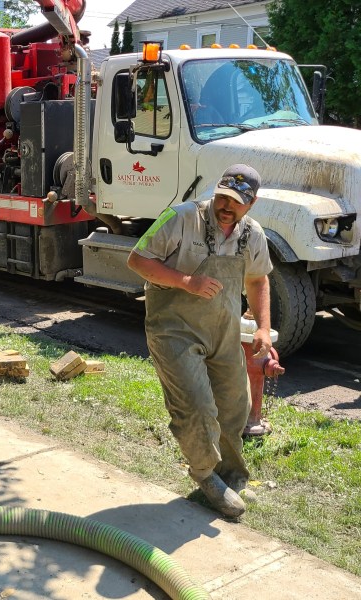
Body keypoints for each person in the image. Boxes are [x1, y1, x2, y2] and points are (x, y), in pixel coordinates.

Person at [127, 164, 272, 518]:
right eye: (223, 196)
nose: (227, 205)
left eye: (236, 201)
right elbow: (137, 260)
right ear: (216, 191)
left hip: (222, 330)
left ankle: (231, 476)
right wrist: (186, 281)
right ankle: (206, 475)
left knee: (234, 406)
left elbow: (257, 280)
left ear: (250, 205)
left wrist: (264, 328)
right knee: (196, 407)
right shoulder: (180, 217)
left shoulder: (252, 234)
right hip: (173, 328)